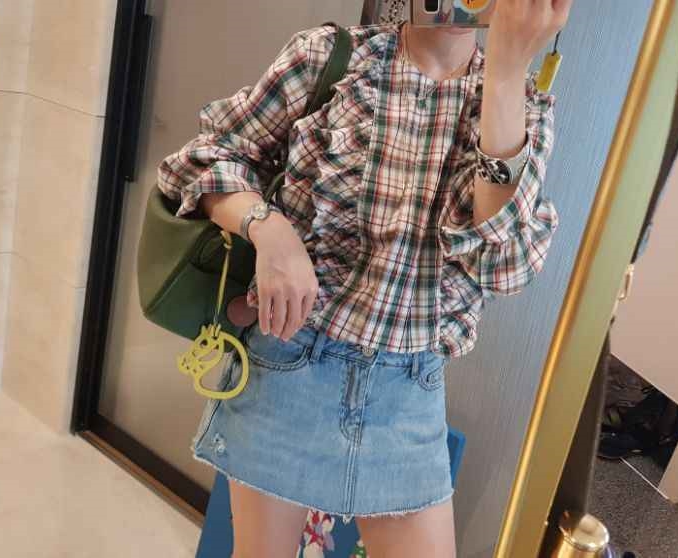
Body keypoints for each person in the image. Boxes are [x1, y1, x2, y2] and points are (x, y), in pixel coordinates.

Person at [157, 1, 571, 556]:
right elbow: (200, 159)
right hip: (291, 362)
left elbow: (505, 268)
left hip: (409, 394)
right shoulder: (330, 59)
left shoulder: (519, 110)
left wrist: (505, 73)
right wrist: (269, 229)